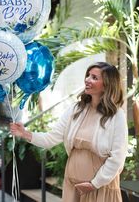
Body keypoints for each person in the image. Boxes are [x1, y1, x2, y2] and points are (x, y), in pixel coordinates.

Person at [10, 62, 128, 202]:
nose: (87, 80)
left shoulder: (116, 116)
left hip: (99, 186)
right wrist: (25, 133)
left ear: (107, 85)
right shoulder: (76, 109)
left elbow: (118, 158)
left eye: (94, 77)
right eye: (88, 75)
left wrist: (94, 184)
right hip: (73, 184)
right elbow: (51, 138)